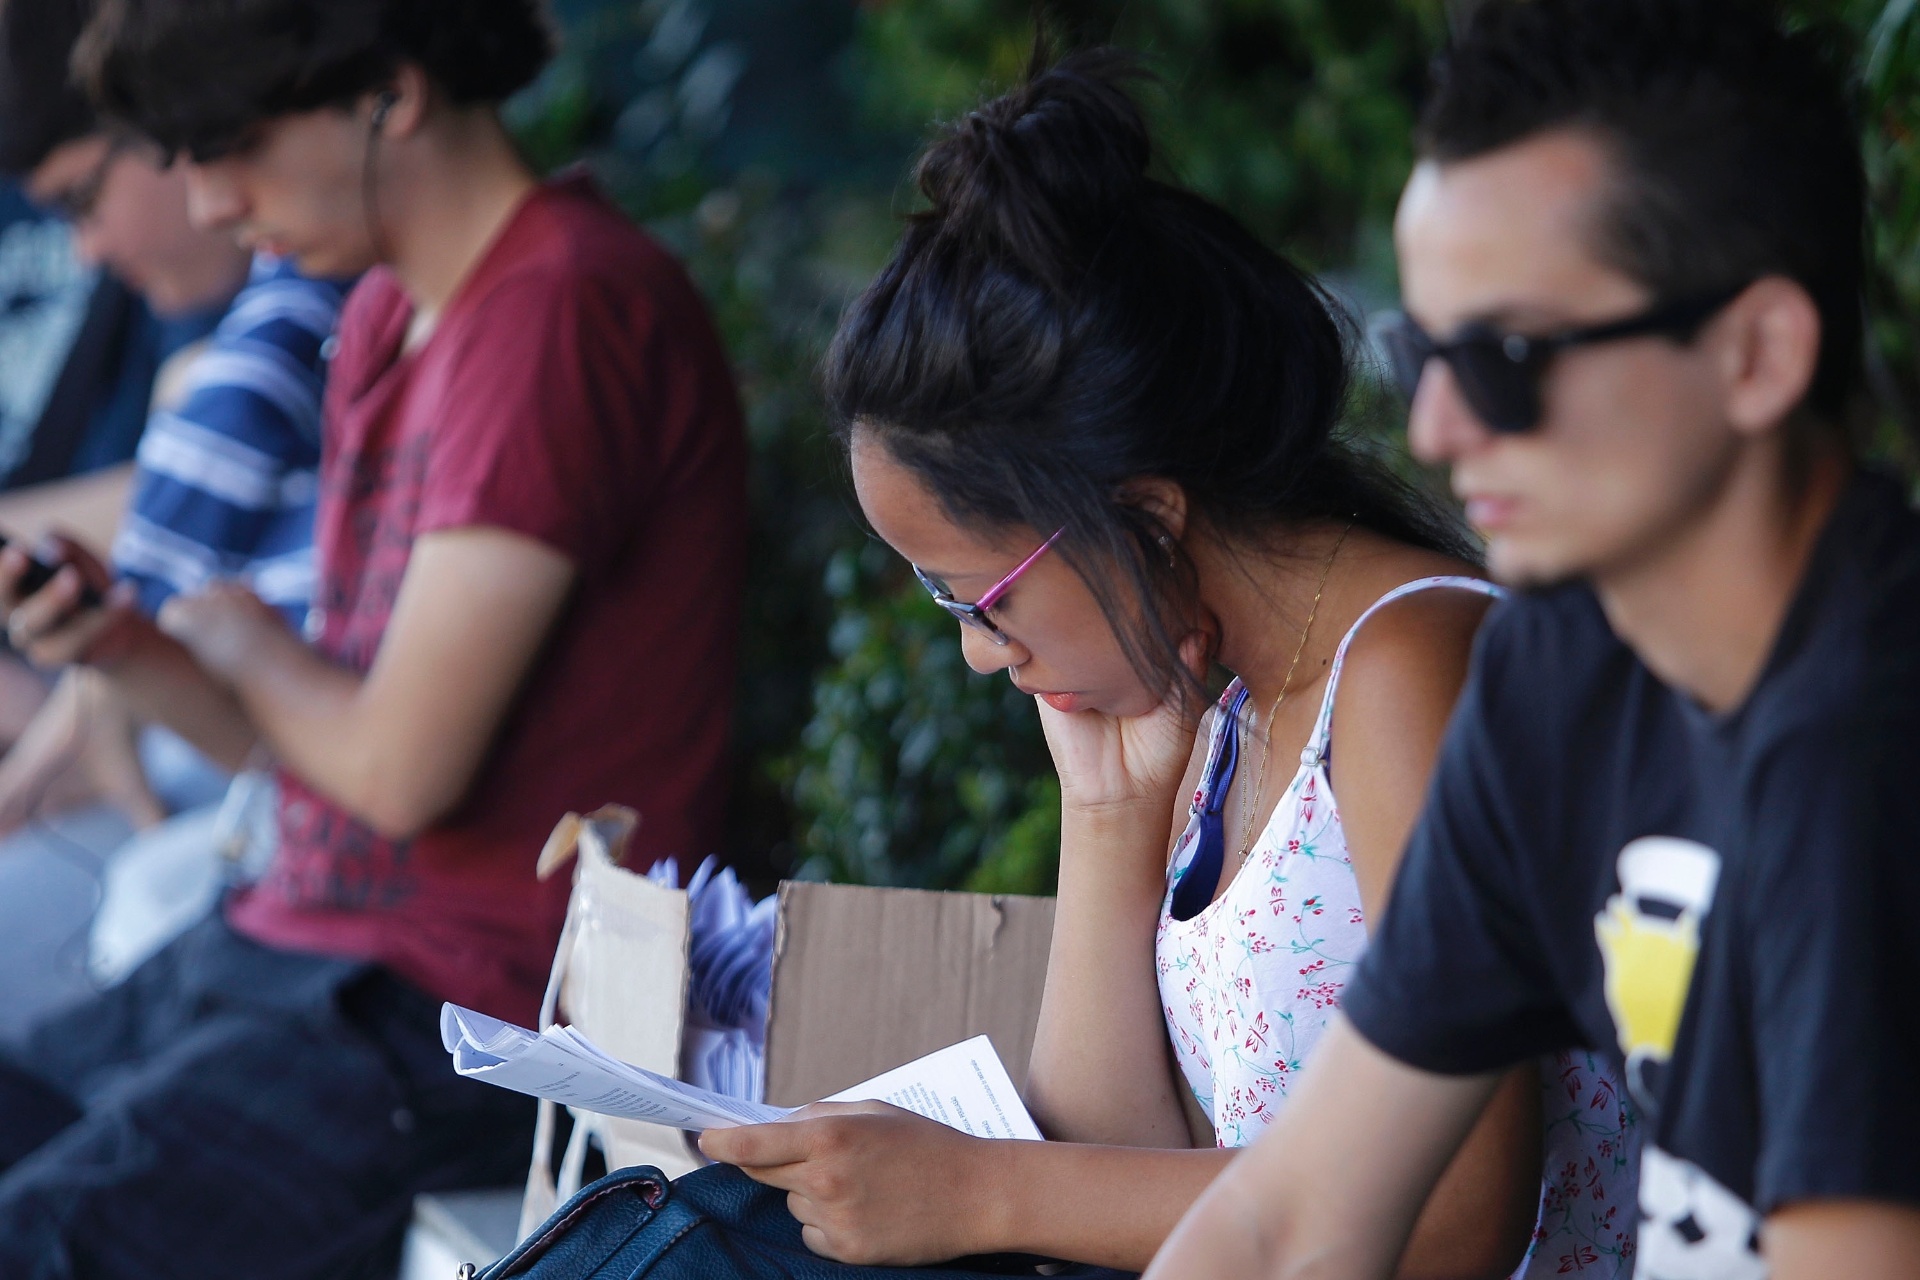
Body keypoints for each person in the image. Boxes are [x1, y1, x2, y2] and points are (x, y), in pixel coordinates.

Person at [694, 54, 1629, 1279]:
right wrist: (1108, 814)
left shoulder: (1410, 668)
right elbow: (1118, 1177)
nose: (977, 648)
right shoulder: (1226, 694)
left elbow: (1452, 1221)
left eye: (978, 593)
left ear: (1142, 516)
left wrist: (982, 1187)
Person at [1147, 2, 1920, 1278]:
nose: (1439, 428)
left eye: (1505, 356)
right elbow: (1295, 1218)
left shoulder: (1868, 755)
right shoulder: (1557, 678)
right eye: (1423, 354)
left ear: (1758, 353)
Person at [0, 0, 749, 1271]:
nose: (212, 200)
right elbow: (301, 754)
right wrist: (121, 644)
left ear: (391, 95)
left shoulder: (562, 304)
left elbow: (401, 773)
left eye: (232, 144)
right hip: (287, 948)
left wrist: (246, 640)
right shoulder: (389, 314)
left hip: (463, 1015)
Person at [0, 0, 345, 1038]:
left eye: (217, 147)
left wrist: (43, 765)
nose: (214, 199)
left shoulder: (273, 326)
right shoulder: (266, 317)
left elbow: (376, 789)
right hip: (254, 808)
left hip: (300, 858)